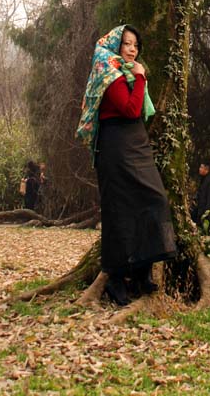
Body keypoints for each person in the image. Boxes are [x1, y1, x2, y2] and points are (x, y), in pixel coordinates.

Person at [76, 25, 176, 306]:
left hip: (137, 145)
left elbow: (138, 113)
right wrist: (142, 77)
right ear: (115, 47)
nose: (133, 50)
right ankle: (116, 280)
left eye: (135, 45)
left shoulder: (126, 73)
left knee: (154, 200)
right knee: (119, 213)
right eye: (127, 44)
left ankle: (142, 271)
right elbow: (131, 109)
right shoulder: (110, 74)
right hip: (116, 148)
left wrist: (138, 77)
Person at [192, 162, 210, 234]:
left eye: (201, 167)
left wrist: (207, 211)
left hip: (206, 211)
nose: (199, 169)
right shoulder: (203, 179)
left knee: (205, 230)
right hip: (201, 208)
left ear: (206, 169)